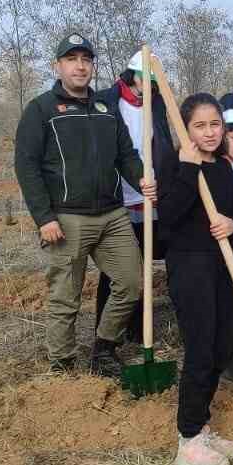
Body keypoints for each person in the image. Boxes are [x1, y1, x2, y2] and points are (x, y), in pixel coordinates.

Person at [14, 34, 153, 376]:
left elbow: (126, 155)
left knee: (132, 282)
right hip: (67, 218)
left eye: (86, 60)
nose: (80, 66)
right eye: (72, 59)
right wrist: (44, 217)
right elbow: (26, 166)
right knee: (65, 296)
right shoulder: (41, 110)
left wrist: (141, 180)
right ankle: (61, 364)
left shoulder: (106, 109)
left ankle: (104, 348)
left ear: (93, 66)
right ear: (58, 66)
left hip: (112, 215)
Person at [159, 93, 233, 465]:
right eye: (200, 125)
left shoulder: (225, 169)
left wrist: (232, 223)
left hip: (221, 267)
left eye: (215, 124)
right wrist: (187, 169)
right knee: (199, 347)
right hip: (190, 267)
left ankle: (202, 426)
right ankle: (188, 437)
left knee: (219, 345)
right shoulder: (177, 164)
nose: (210, 132)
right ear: (185, 128)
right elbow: (168, 216)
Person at [93, 51, 170, 349]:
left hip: (150, 195)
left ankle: (139, 331)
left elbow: (162, 143)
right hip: (118, 200)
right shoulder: (107, 102)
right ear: (132, 75)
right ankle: (108, 332)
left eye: (154, 82)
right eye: (144, 79)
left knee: (145, 263)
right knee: (118, 267)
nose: (148, 86)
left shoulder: (158, 105)